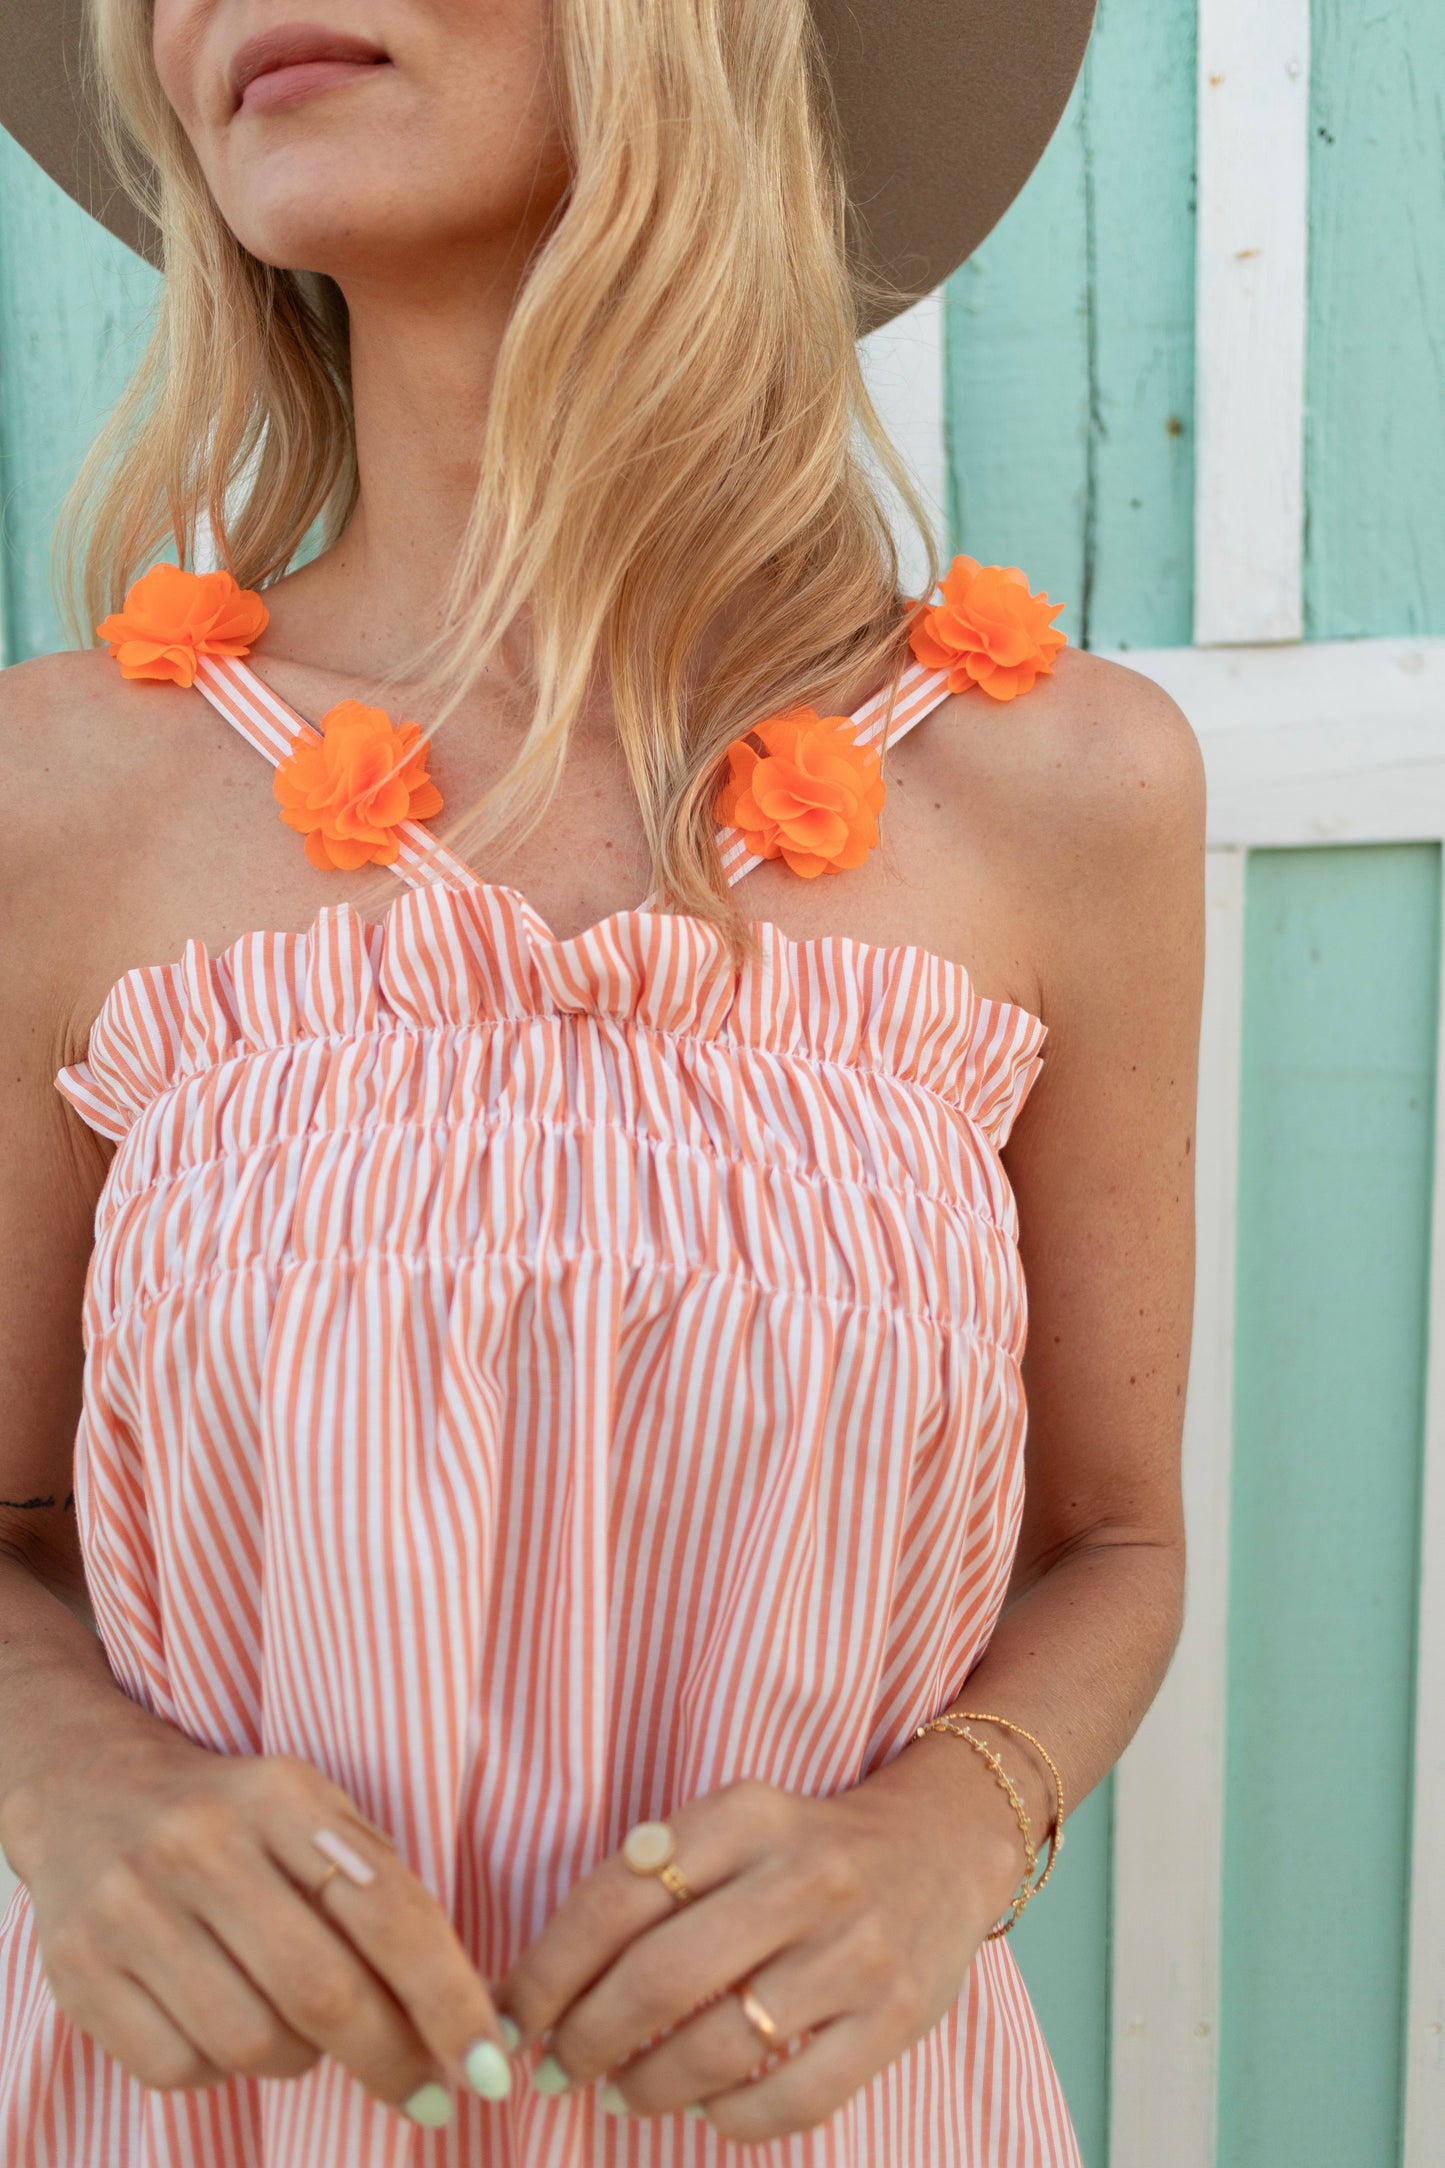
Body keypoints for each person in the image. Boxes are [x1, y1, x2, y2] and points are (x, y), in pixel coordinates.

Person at [0, 0, 1203, 2160]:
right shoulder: (55, 794)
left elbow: (1109, 1538)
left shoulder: (1064, 789)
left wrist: (949, 1835)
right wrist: (61, 1771)